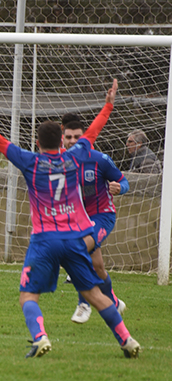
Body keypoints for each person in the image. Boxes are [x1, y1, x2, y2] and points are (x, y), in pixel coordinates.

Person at [0, 83, 141, 359]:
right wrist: (108, 105)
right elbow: (93, 131)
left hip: (44, 240)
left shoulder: (29, 161)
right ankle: (126, 339)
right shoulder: (76, 156)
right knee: (94, 293)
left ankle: (40, 337)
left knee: (28, 296)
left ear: (37, 143)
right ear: (62, 142)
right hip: (75, 238)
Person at [62, 121, 129, 323]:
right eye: (69, 137)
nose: (73, 141)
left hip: (102, 216)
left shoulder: (100, 160)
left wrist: (120, 188)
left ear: (86, 138)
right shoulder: (59, 161)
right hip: (77, 219)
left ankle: (83, 305)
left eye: (77, 137)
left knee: (79, 248)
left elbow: (123, 181)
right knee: (97, 267)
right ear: (63, 139)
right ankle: (114, 302)